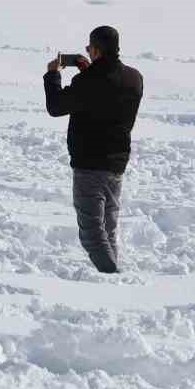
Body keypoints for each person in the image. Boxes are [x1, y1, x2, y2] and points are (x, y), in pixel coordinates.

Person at [44, 25, 144, 274]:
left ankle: (112, 278)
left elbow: (56, 106)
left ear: (97, 50)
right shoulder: (135, 78)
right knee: (108, 229)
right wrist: (89, 71)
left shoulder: (87, 82)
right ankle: (112, 273)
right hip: (117, 164)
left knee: (91, 232)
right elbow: (105, 93)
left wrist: (52, 75)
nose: (87, 51)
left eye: (89, 48)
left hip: (89, 164)